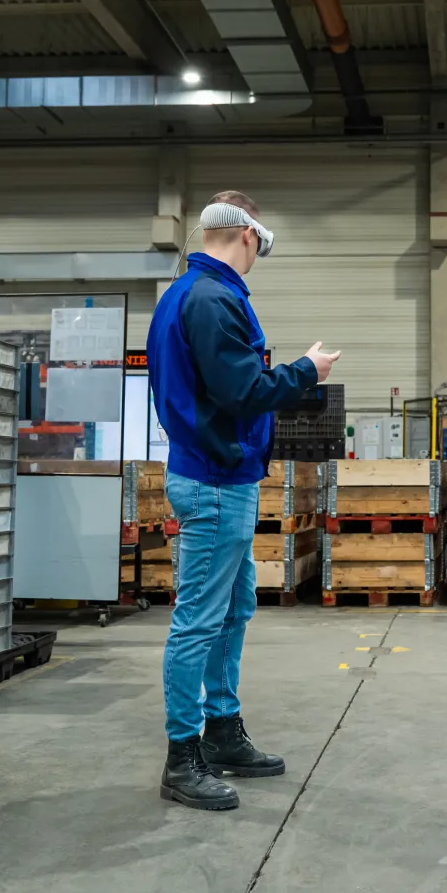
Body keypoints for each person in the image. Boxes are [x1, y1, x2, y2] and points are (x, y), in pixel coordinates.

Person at [147, 189, 340, 811]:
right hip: (212, 481)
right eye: (259, 246)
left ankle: (222, 731)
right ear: (249, 235)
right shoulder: (211, 299)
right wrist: (306, 370)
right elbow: (243, 391)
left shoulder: (188, 294)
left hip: (222, 479)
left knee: (233, 609)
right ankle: (183, 757)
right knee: (199, 620)